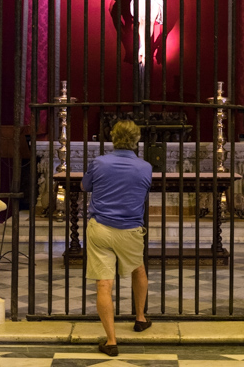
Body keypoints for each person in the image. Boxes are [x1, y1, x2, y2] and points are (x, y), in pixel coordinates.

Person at [81, 119, 153, 357]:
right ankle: (140, 317)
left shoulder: (99, 162)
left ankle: (111, 340)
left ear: (113, 138)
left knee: (104, 282)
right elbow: (143, 191)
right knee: (138, 269)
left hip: (101, 227)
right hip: (130, 229)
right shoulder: (145, 167)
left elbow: (85, 186)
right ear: (136, 140)